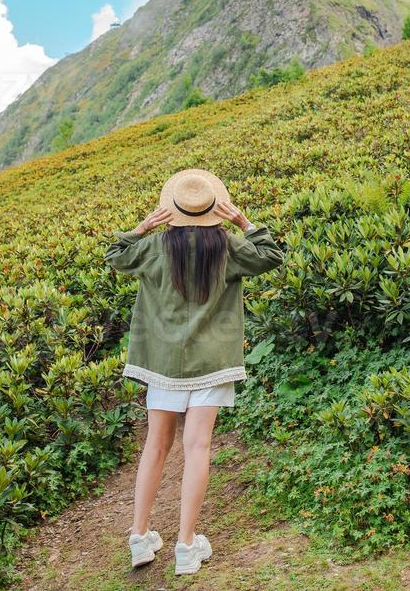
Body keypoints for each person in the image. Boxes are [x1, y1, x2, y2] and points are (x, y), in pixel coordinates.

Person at [105, 168, 284, 577]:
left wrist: (141, 227)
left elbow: (115, 256)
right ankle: (186, 546)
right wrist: (244, 222)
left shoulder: (153, 247)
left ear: (173, 210)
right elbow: (271, 255)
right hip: (211, 362)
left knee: (156, 444)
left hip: (163, 362)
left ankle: (139, 536)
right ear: (213, 210)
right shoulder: (229, 246)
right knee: (197, 447)